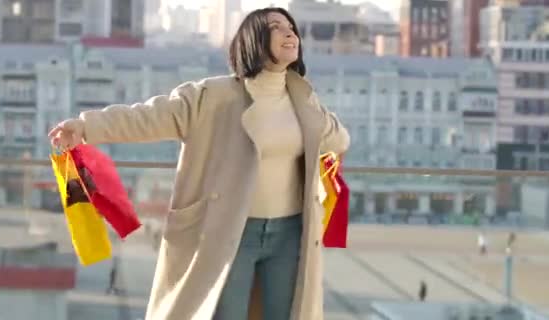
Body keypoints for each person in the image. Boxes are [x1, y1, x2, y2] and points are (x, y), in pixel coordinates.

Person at [48, 7, 349, 320]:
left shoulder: (303, 99)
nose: (290, 33)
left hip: (291, 232)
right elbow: (148, 117)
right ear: (253, 39)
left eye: (291, 28)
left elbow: (338, 139)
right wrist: (85, 127)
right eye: (276, 27)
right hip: (229, 230)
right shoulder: (211, 97)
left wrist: (322, 124)